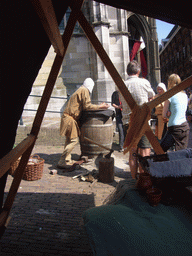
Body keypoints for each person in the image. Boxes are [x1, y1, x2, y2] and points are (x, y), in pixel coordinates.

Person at [58, 78, 109, 169]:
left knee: (69, 140)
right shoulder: (84, 90)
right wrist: (100, 106)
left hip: (68, 117)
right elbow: (87, 106)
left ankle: (67, 160)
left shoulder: (81, 89)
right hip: (69, 119)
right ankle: (62, 160)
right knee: (74, 141)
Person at [120, 60, 155, 179]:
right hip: (143, 122)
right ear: (139, 71)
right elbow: (152, 98)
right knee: (145, 153)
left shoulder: (122, 85)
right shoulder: (144, 82)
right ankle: (144, 181)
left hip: (128, 122)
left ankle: (134, 180)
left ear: (127, 72)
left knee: (133, 152)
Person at [160, 74, 190, 152]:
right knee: (181, 154)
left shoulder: (170, 95)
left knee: (160, 150)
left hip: (174, 128)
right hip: (184, 127)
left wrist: (168, 114)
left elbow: (164, 115)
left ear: (169, 83)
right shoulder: (185, 95)